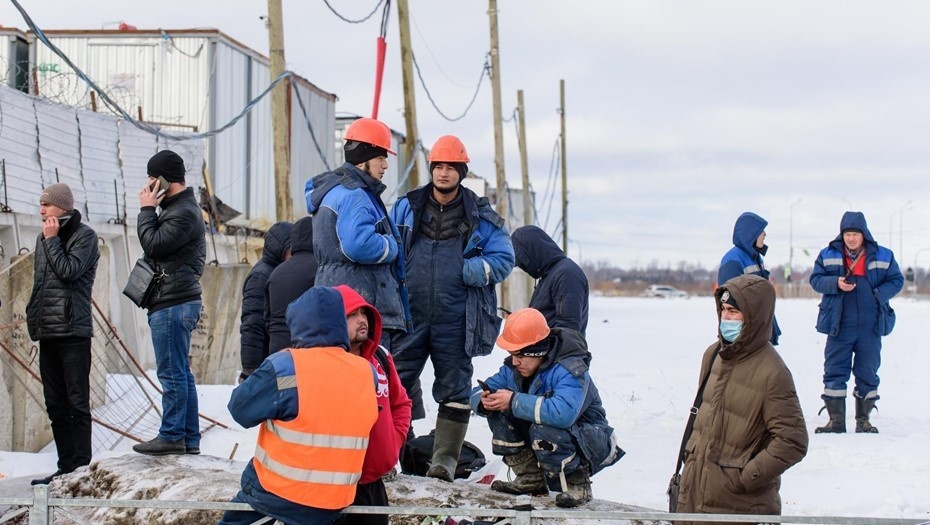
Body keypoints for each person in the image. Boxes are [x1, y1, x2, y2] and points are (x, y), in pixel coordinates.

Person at [390, 135, 514, 481]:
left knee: (455, 388)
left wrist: (466, 270)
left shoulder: (481, 216)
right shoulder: (406, 207)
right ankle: (388, 455)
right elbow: (387, 248)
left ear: (462, 172)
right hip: (409, 316)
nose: (443, 173)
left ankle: (444, 462)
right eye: (438, 166)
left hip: (456, 318)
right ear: (431, 169)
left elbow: (505, 258)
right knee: (394, 384)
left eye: (451, 167)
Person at [219, 287, 379, 525]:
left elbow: (239, 410)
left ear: (297, 325)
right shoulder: (367, 372)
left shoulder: (286, 366)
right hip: (336, 501)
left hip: (279, 496)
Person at [675, 274, 808, 521]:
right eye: (723, 310)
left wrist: (745, 477)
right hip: (693, 495)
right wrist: (691, 459)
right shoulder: (713, 355)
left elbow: (793, 441)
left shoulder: (773, 372)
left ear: (754, 316)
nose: (726, 317)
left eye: (734, 312)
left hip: (740, 506)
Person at [470, 308, 623, 508]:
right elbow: (475, 392)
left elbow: (563, 413)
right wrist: (484, 401)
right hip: (554, 437)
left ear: (537, 351)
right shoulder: (514, 368)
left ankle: (578, 485)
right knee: (499, 413)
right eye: (511, 354)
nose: (515, 361)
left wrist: (514, 401)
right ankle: (530, 478)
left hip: (590, 440)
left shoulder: (570, 369)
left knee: (543, 425)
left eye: (520, 355)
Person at [304, 117, 411, 344]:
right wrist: (391, 245)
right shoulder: (356, 196)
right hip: (360, 305)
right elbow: (359, 245)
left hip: (337, 300)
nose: (385, 165)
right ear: (363, 159)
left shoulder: (333, 191)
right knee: (368, 365)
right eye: (380, 157)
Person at [132, 149, 206, 456]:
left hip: (173, 302)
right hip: (175, 300)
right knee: (181, 372)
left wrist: (146, 210)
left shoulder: (184, 212)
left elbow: (154, 245)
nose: (148, 185)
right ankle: (188, 438)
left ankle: (173, 434)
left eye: (152, 178)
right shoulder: (179, 208)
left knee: (172, 373)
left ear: (165, 179)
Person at [26, 183, 99, 485]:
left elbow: (69, 271)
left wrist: (53, 240)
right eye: (41, 204)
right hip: (48, 331)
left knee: (77, 403)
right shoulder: (44, 237)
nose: (42, 210)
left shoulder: (85, 236)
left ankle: (80, 469)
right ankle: (64, 467)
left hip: (72, 331)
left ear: (63, 207)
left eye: (47, 205)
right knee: (55, 404)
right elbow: (41, 282)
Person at [809, 211, 903, 434]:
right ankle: (836, 422)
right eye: (847, 234)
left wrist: (878, 293)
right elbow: (815, 280)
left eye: (855, 234)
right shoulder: (828, 254)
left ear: (864, 234)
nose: (851, 238)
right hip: (839, 325)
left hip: (870, 327)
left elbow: (897, 280)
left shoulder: (884, 255)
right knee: (834, 370)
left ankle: (863, 421)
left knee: (868, 372)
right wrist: (835, 283)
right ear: (842, 234)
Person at [333, 285, 411, 525]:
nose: (362, 320)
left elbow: (401, 403)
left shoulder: (380, 356)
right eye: (352, 315)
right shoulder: (323, 363)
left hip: (373, 484)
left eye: (364, 313)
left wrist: (392, 442)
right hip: (331, 485)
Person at [239, 221, 293, 382]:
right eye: (291, 249)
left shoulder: (279, 271)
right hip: (263, 360)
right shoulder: (261, 276)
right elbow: (252, 324)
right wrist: (250, 369)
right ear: (280, 248)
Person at [718, 212, 781, 345]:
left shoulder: (755, 257)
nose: (765, 235)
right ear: (751, 234)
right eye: (761, 231)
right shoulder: (733, 260)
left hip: (758, 328)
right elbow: (730, 302)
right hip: (746, 335)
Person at [511, 225, 588, 333]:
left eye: (523, 262)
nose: (523, 267)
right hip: (546, 344)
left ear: (533, 253)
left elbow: (568, 328)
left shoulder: (566, 274)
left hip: (558, 345)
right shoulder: (549, 275)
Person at [265, 216, 318, 354]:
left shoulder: (275, 273)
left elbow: (267, 317)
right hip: (307, 348)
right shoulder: (320, 268)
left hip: (277, 349)